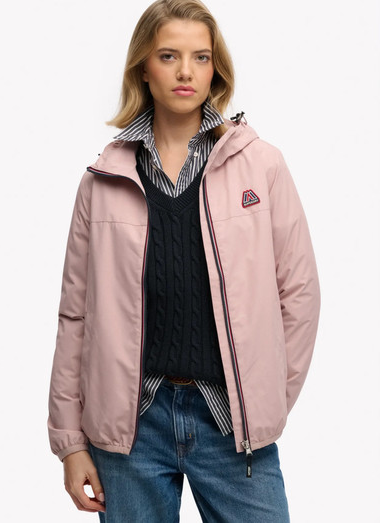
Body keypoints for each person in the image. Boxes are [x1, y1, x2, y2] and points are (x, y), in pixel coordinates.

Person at [47, 0, 321, 521]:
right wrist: (70, 442)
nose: (185, 72)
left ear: (215, 69)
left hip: (231, 425)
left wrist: (264, 400)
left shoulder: (261, 165)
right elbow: (75, 316)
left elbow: (299, 293)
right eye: (168, 56)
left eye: (201, 57)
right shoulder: (102, 180)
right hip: (131, 427)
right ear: (143, 69)